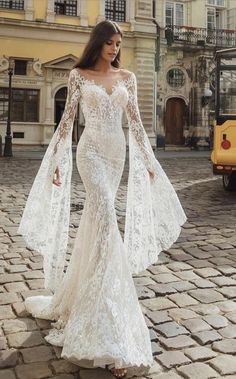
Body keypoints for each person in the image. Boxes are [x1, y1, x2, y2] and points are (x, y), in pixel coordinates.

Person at [18, 20, 186, 378]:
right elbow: (67, 123)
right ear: (98, 43)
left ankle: (82, 295)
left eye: (118, 43)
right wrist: (57, 163)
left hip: (116, 156)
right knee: (108, 222)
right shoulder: (78, 76)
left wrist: (149, 162)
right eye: (109, 43)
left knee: (98, 228)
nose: (114, 48)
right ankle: (109, 326)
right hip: (90, 154)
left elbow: (137, 125)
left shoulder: (128, 77)